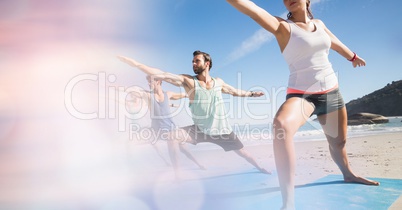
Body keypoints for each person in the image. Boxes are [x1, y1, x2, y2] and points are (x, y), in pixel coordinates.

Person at [225, 0, 379, 209]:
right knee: (281, 125)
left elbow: (333, 42)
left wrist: (352, 56)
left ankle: (348, 174)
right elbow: (252, 10)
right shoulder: (282, 27)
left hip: (332, 93)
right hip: (302, 96)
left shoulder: (320, 24)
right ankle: (288, 203)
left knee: (339, 144)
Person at [118, 50, 270, 174]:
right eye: (192, 61)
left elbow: (234, 91)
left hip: (222, 131)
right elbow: (162, 74)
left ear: (207, 63)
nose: (193, 63)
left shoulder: (219, 82)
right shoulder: (188, 81)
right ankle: (177, 175)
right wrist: (136, 64)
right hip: (200, 130)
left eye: (197, 61)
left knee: (243, 153)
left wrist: (251, 94)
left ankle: (260, 168)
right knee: (172, 137)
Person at [125, 76, 206, 177]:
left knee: (184, 150)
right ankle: (177, 175)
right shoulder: (148, 95)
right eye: (148, 82)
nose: (149, 84)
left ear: (159, 82)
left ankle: (199, 164)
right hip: (157, 132)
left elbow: (183, 95)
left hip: (171, 130)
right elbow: (133, 92)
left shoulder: (168, 94)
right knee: (132, 143)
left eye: (151, 82)